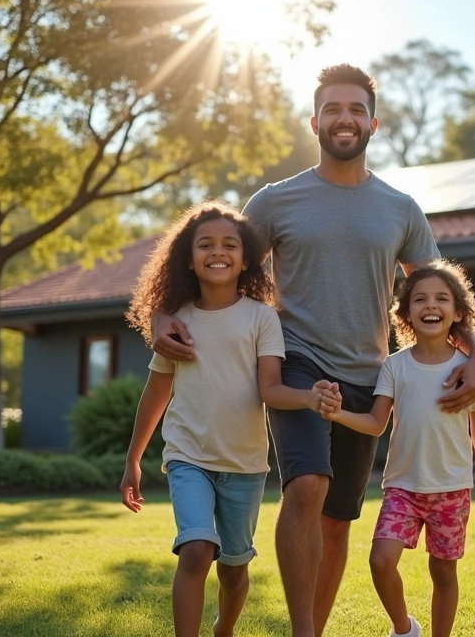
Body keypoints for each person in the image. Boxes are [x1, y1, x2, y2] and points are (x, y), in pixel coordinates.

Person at [150, 64, 475, 637]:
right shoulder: (277, 201)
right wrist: (161, 310)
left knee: (337, 522)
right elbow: (214, 254)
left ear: (373, 122)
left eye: (356, 109)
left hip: (367, 372)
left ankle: (317, 630)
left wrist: (474, 352)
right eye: (333, 108)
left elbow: (437, 291)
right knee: (307, 485)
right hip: (296, 360)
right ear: (314, 121)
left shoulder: (400, 208)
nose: (345, 118)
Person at [120, 201, 333, 637]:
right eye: (206, 245)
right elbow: (158, 390)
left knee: (234, 571)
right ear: (189, 258)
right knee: (196, 550)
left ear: (245, 259)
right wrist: (133, 459)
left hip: (244, 465)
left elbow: (269, 389)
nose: (217, 252)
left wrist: (309, 397)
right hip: (188, 456)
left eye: (229, 245)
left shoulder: (261, 318)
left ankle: (224, 628)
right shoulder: (174, 322)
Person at [319, 259, 475, 637]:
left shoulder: (469, 371)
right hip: (403, 488)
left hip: (452, 489)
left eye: (441, 299)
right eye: (419, 299)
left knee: (443, 571)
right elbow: (375, 423)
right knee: (381, 561)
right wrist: (337, 415)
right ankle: (404, 628)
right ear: (405, 313)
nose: (430, 306)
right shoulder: (394, 367)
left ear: (457, 313)